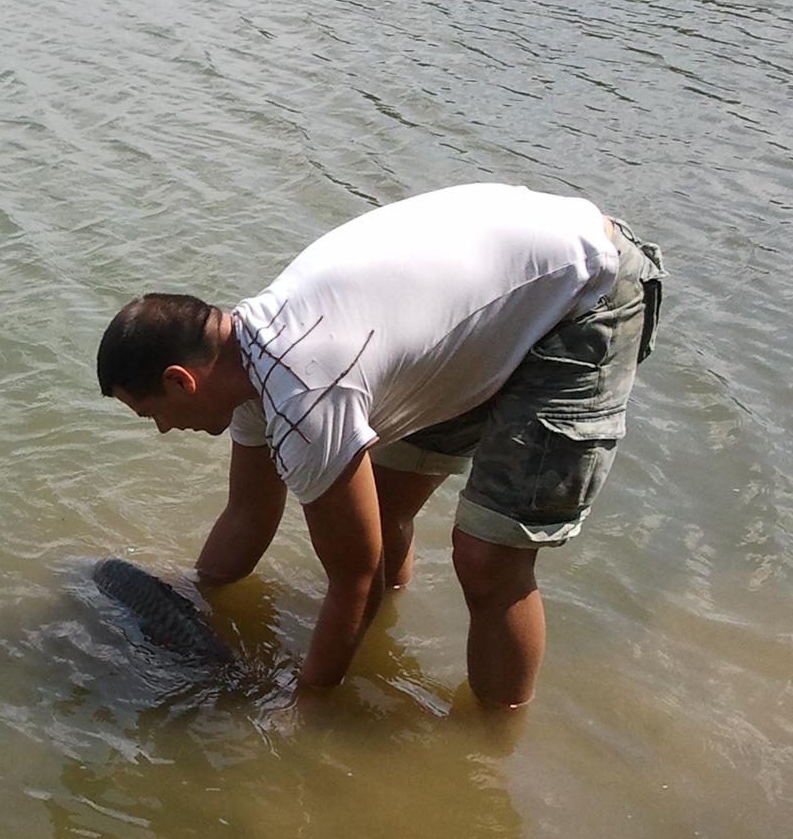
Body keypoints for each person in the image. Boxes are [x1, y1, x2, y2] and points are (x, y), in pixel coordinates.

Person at [95, 183, 664, 708]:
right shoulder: (244, 364)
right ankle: (384, 650)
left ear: (179, 381)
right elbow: (248, 514)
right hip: (485, 312)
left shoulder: (304, 393)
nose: (164, 430)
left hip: (585, 293)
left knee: (487, 558)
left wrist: (307, 706)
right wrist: (189, 599)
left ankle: (492, 743)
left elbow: (354, 581)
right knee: (382, 512)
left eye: (152, 415)